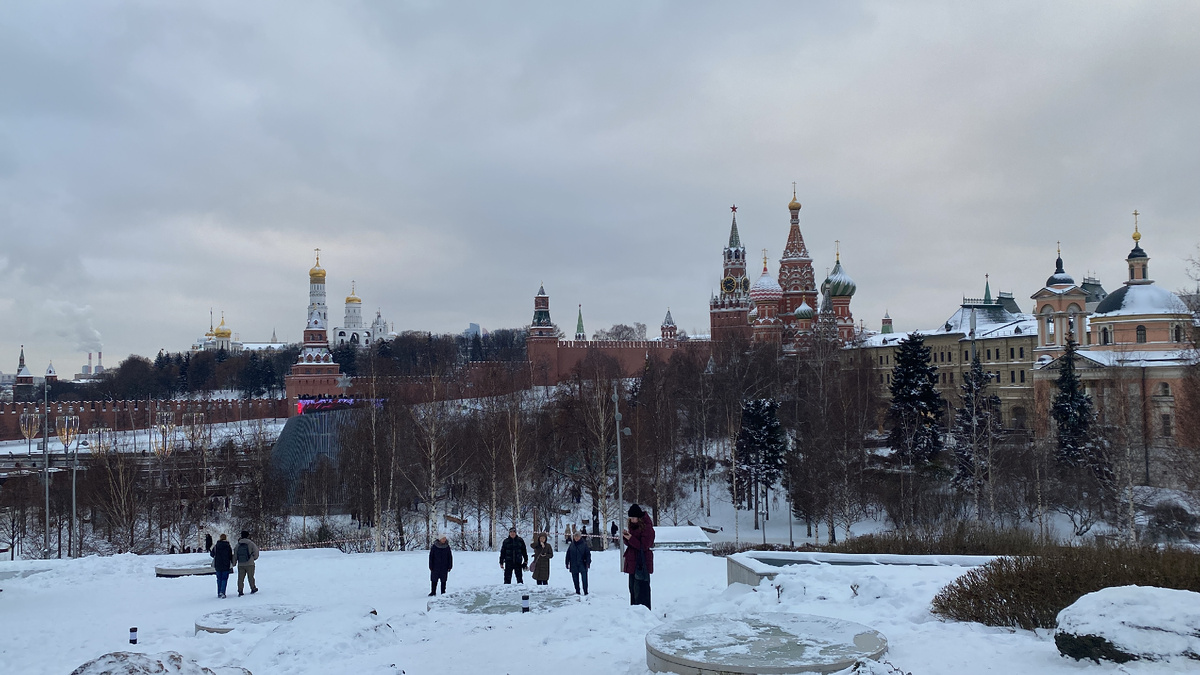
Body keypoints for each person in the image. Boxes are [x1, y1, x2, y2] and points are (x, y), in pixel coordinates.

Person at [623, 504, 655, 610]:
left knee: (641, 590)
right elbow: (633, 544)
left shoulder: (647, 528)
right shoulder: (634, 526)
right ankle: (634, 611)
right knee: (633, 589)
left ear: (639, 518)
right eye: (630, 518)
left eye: (633, 518)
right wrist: (626, 538)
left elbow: (644, 545)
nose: (631, 520)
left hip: (642, 563)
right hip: (633, 563)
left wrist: (630, 538)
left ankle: (643, 613)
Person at [565, 530, 592, 595]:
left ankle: (585, 591)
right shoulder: (572, 545)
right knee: (575, 579)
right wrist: (567, 562)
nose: (576, 538)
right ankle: (577, 591)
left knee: (584, 579)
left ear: (580, 537)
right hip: (573, 564)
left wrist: (588, 562)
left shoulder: (584, 544)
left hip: (582, 564)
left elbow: (588, 554)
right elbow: (568, 554)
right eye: (575, 536)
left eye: (578, 536)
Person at [235, 530, 260, 596]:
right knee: (251, 577)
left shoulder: (238, 544)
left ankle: (240, 590)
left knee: (240, 578)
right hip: (250, 563)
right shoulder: (251, 543)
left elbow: (235, 554)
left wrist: (234, 562)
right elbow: (256, 552)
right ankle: (253, 588)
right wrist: (253, 558)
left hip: (241, 564)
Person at [210, 533, 233, 599]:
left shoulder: (216, 546)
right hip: (226, 564)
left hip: (218, 564)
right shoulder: (228, 546)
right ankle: (222, 592)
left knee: (219, 579)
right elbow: (230, 556)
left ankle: (219, 592)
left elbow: (212, 554)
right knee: (224, 579)